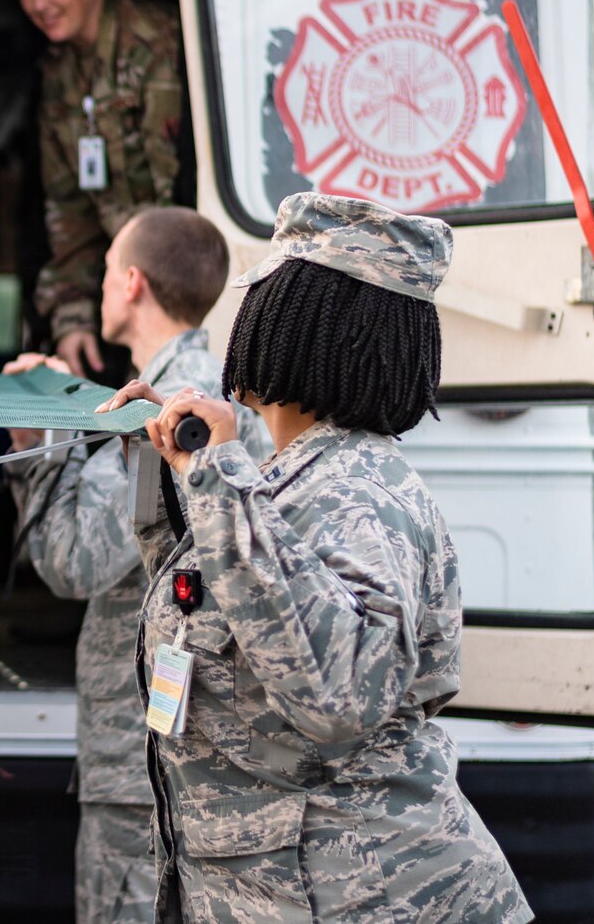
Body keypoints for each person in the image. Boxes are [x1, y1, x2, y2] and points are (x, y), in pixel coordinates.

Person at [115, 193, 530, 923]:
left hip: (369, 899)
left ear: (296, 326)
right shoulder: (292, 476)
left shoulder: (361, 495)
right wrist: (166, 464)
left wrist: (216, 472)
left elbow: (334, 690)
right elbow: (210, 609)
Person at [2, 208, 269, 924]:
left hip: (140, 755)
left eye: (106, 273)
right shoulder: (222, 393)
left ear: (131, 282)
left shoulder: (153, 412)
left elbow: (74, 563)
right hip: (207, 749)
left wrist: (48, 438)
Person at [12, 0, 185, 379]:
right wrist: (72, 318)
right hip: (120, 283)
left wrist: (154, 316)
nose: (39, 3)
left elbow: (176, 198)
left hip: (171, 282)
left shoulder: (156, 45)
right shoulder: (59, 73)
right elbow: (69, 208)